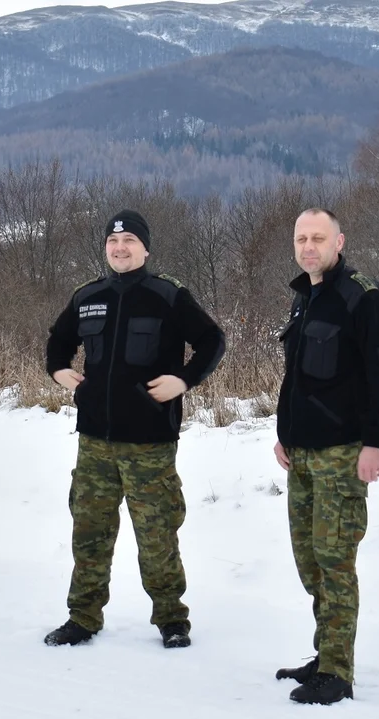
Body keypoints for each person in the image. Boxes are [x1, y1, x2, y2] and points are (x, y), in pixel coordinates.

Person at [42, 209, 225, 649]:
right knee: (89, 532)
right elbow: (58, 340)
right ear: (106, 248)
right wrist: (58, 371)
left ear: (145, 248)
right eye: (112, 242)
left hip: (149, 442)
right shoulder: (88, 295)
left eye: (129, 242)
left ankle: (171, 618)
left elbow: (212, 341)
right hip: (95, 442)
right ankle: (82, 616)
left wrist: (184, 380)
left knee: (157, 534)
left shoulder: (167, 295)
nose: (120, 249)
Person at [272, 208, 379, 705]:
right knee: (310, 564)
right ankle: (324, 655)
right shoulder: (305, 298)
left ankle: (338, 673)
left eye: (318, 238)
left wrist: (375, 441)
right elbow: (298, 379)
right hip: (301, 456)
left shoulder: (361, 297)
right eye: (301, 238)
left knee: (335, 564)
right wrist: (284, 433)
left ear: (339, 240)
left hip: (341, 456)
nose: (309, 246)